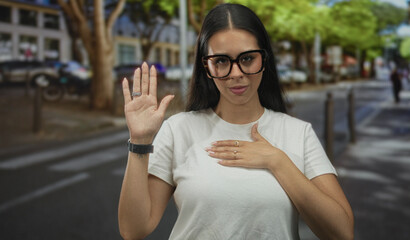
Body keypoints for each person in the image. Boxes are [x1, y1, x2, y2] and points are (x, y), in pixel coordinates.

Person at [118, 3, 354, 240]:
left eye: (247, 58)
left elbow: (341, 232)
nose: (235, 73)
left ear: (265, 59)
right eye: (221, 61)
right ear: (206, 66)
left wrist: (278, 161)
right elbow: (133, 229)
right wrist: (139, 141)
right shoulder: (179, 129)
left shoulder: (298, 133)